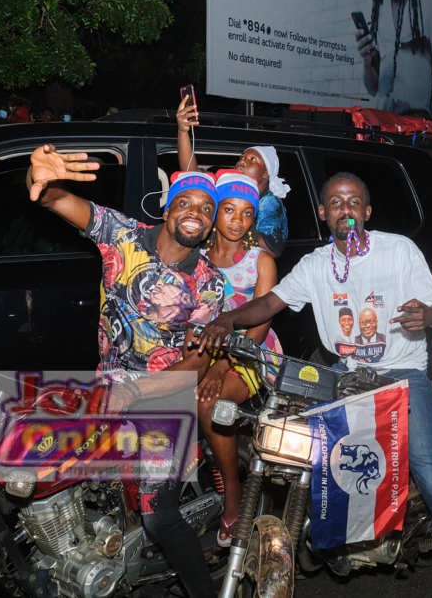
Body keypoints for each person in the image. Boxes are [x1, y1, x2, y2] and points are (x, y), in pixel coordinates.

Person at [198, 172, 432, 598]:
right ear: (323, 213)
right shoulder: (316, 264)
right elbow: (269, 303)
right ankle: (335, 539)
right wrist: (227, 320)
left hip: (404, 374)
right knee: (313, 461)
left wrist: (427, 317)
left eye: (354, 202)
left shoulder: (399, 250)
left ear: (367, 212)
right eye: (336, 203)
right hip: (345, 374)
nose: (346, 209)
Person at [26, 145, 223, 598]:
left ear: (210, 224)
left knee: (159, 513)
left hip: (165, 398)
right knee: (32, 462)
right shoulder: (123, 234)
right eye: (187, 203)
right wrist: (44, 181)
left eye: (206, 209)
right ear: (168, 207)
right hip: (105, 383)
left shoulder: (210, 283)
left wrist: (136, 393)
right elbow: (58, 202)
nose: (196, 213)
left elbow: (195, 365)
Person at [194, 170, 281, 548]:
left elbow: (259, 325)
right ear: (215, 212)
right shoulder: (196, 255)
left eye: (247, 213)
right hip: (202, 349)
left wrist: (220, 366)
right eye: (229, 209)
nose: (237, 220)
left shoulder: (261, 261)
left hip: (250, 354)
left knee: (210, 403)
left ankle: (234, 494)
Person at [176, 96, 290, 257]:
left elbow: (273, 248)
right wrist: (182, 132)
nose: (243, 162)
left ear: (266, 173)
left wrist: (229, 228)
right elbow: (191, 174)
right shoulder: (225, 187)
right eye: (242, 158)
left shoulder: (269, 202)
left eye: (252, 160)